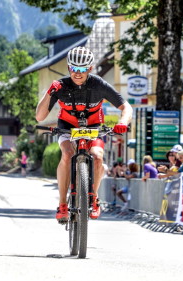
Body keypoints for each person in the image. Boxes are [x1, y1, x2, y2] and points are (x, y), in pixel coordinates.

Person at [35, 46, 133, 222]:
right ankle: (63, 203)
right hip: (67, 126)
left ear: (90, 68)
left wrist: (122, 122)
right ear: (69, 68)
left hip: (94, 126)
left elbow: (126, 107)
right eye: (74, 68)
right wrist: (50, 92)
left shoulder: (98, 84)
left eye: (82, 69)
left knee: (97, 156)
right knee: (67, 154)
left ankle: (94, 198)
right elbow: (40, 116)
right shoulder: (60, 86)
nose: (77, 73)